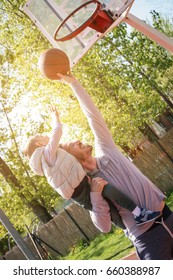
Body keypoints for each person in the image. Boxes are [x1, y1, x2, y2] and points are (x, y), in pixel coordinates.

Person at [57, 72, 173, 260]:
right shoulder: (89, 186)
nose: (77, 139)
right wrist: (95, 193)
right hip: (149, 239)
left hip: (168, 216)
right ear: (71, 159)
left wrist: (75, 84)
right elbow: (103, 226)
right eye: (72, 145)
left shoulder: (106, 149)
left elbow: (93, 116)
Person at [23, 106, 160, 229]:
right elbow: (57, 131)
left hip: (81, 186)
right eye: (42, 136)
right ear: (40, 144)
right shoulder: (47, 154)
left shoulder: (51, 158)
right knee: (107, 197)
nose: (46, 136)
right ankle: (136, 216)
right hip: (80, 191)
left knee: (108, 196)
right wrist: (55, 117)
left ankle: (133, 220)